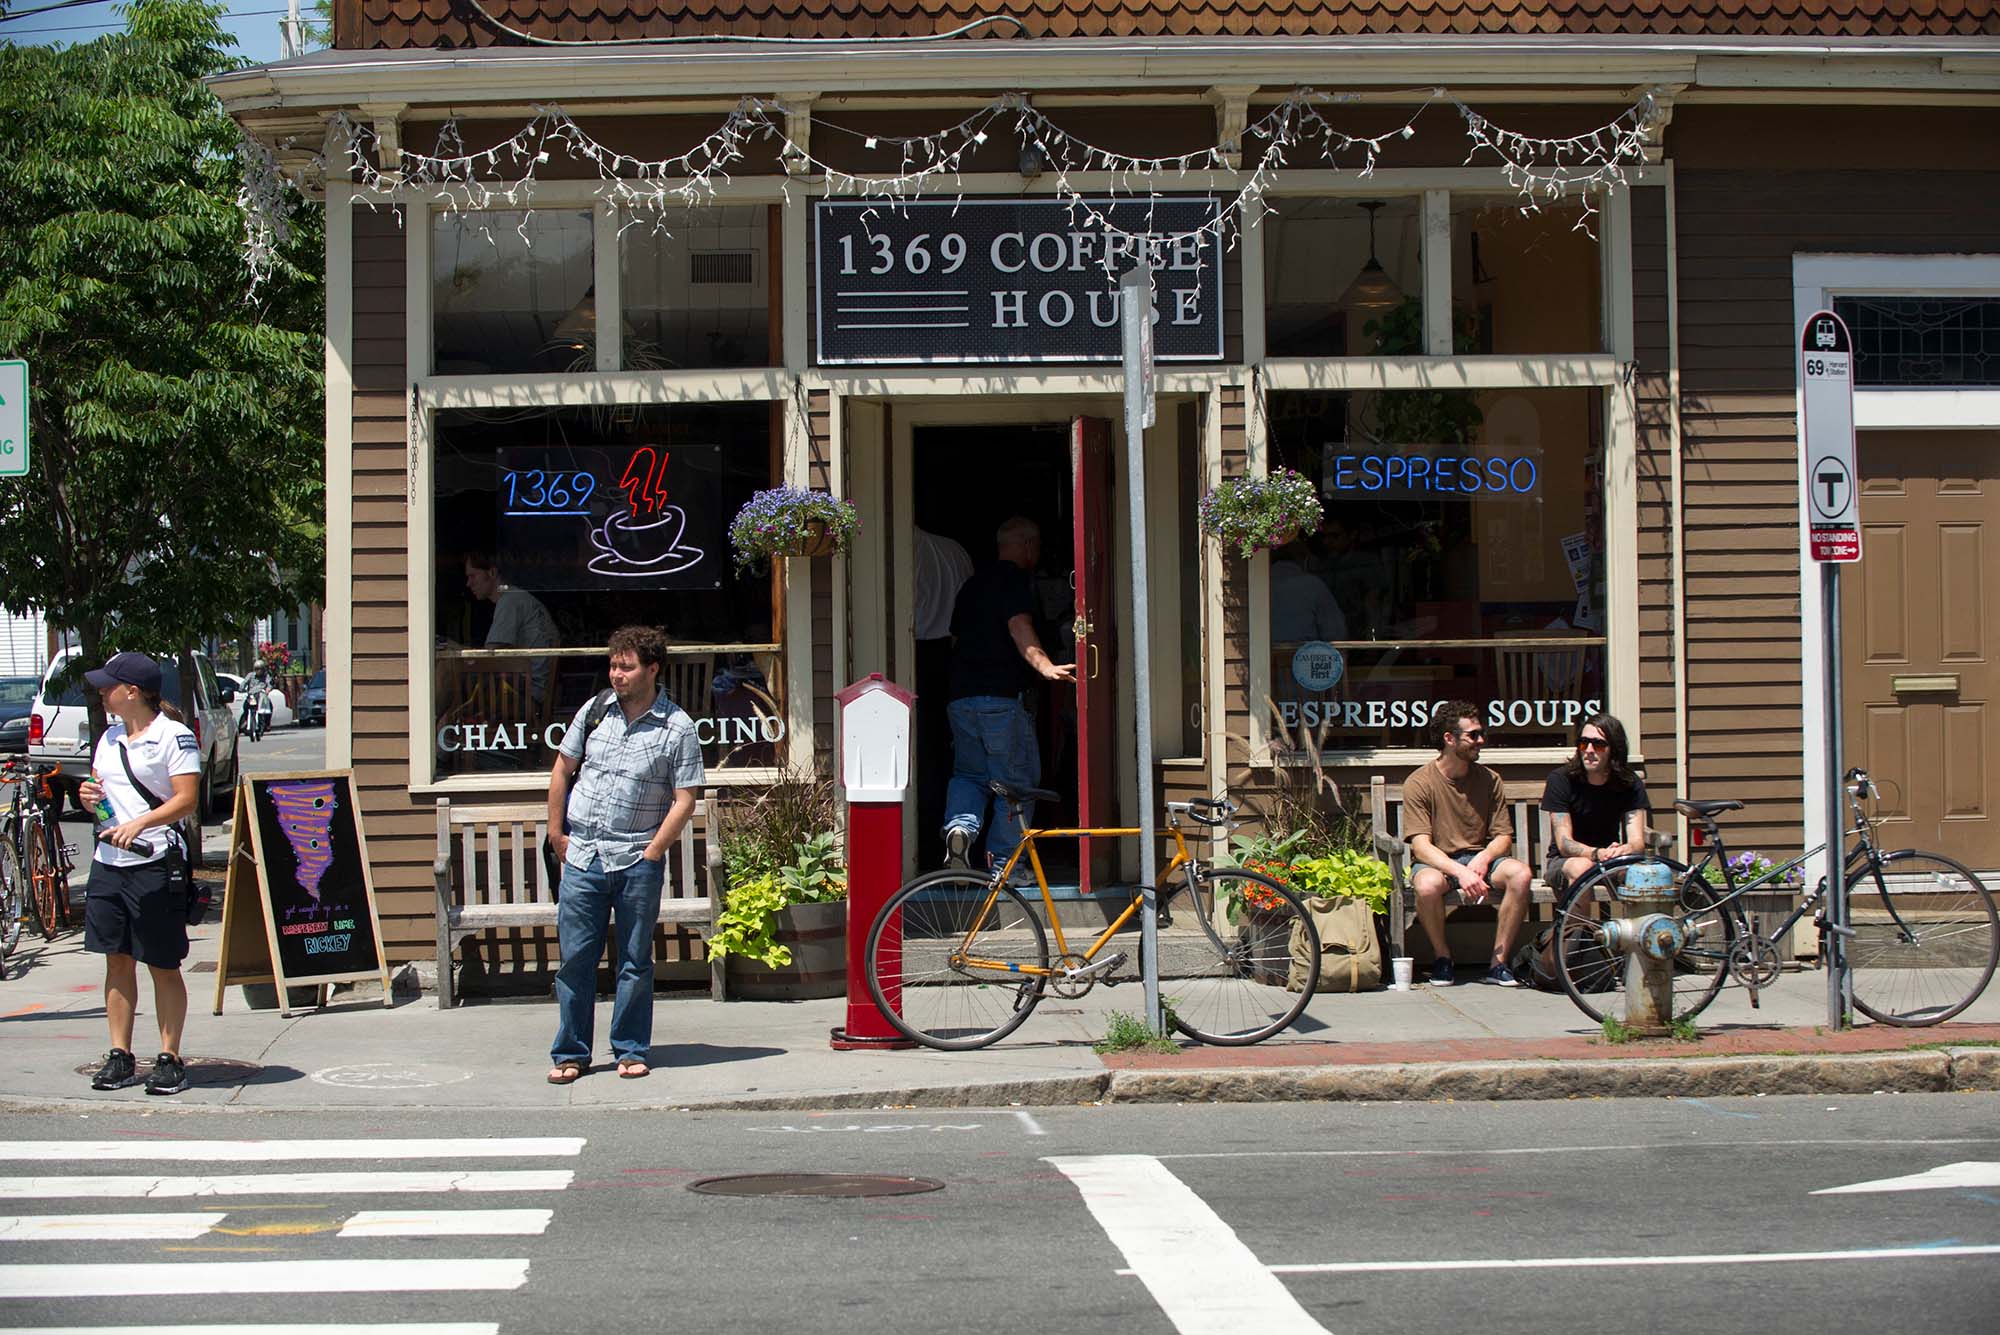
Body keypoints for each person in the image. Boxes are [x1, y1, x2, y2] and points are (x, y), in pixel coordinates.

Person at [544, 626, 703, 1084]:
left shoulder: (678, 727)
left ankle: (630, 1050)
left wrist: (652, 853)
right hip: (584, 857)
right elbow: (562, 768)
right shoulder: (594, 711)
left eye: (627, 666)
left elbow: (685, 799)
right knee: (575, 961)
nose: (617, 674)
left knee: (634, 962)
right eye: (614, 665)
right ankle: (571, 1054)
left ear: (652, 669)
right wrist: (558, 834)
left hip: (636, 859)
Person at [76, 652, 201, 1096]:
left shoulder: (174, 735)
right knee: (116, 959)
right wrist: (88, 795)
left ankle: (169, 1059)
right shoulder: (109, 739)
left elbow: (186, 800)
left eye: (109, 686)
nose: (102, 692)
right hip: (110, 865)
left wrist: (141, 824)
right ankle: (120, 1055)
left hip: (155, 863)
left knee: (163, 964)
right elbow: (100, 790)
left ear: (133, 691)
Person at [940, 517, 1075, 874]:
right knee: (1013, 783)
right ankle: (1006, 865)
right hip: (1000, 700)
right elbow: (1019, 626)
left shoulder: (971, 585)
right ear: (1028, 545)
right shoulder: (1015, 581)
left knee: (969, 775)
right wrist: (1044, 665)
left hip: (960, 699)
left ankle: (960, 829)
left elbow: (955, 640)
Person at [1402, 701, 1533, 987]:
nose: (1481, 740)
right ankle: (1442, 958)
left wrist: (1484, 858)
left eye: (1481, 733)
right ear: (1449, 739)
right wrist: (1460, 872)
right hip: (1439, 862)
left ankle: (1498, 964)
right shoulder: (1419, 782)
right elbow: (1421, 846)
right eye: (1473, 735)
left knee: (1521, 874)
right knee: (1426, 885)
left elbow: (1503, 836)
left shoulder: (1489, 779)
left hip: (1480, 859)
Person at [913, 527, 974, 867]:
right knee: (947, 748)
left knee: (922, 751)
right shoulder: (954, 548)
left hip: (918, 650)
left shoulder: (909, 548)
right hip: (951, 652)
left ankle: (928, 839)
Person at [1542, 713, 1650, 894]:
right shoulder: (1561, 780)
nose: (1589, 750)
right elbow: (1564, 843)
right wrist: (1596, 853)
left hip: (1609, 861)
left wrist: (1625, 849)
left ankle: (1636, 923)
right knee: (1582, 868)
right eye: (1584, 743)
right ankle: (1579, 924)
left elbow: (1637, 841)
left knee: (1642, 873)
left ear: (1614, 749)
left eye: (1598, 744)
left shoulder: (1629, 783)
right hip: (1565, 862)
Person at [465, 552, 560, 707]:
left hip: (526, 695)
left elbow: (489, 655)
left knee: (459, 677)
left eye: (473, 576)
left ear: (492, 572)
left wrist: (456, 652)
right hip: (532, 690)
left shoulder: (510, 600)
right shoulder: (517, 597)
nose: (468, 584)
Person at [1270, 538, 1348, 644]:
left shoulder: (1258, 585)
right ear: (1304, 559)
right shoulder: (1313, 584)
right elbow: (1335, 633)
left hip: (1262, 655)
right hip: (1305, 656)